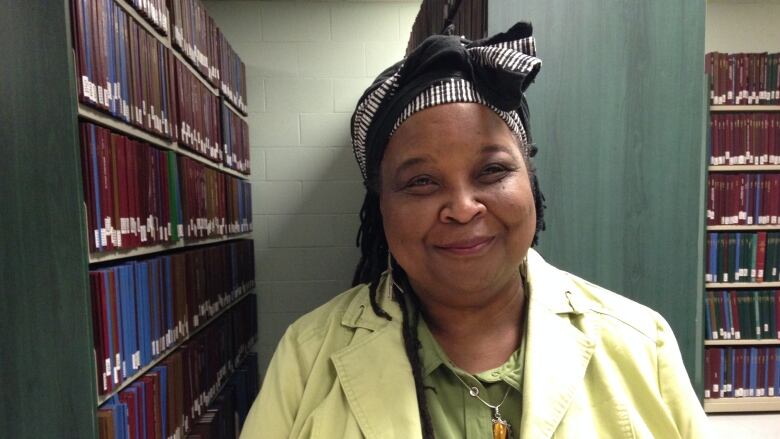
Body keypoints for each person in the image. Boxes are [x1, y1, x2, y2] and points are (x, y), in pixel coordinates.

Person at [240, 22, 708, 439]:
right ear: (380, 207)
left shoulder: (643, 343)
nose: (462, 209)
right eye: (421, 181)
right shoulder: (306, 358)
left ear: (530, 182)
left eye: (491, 171)